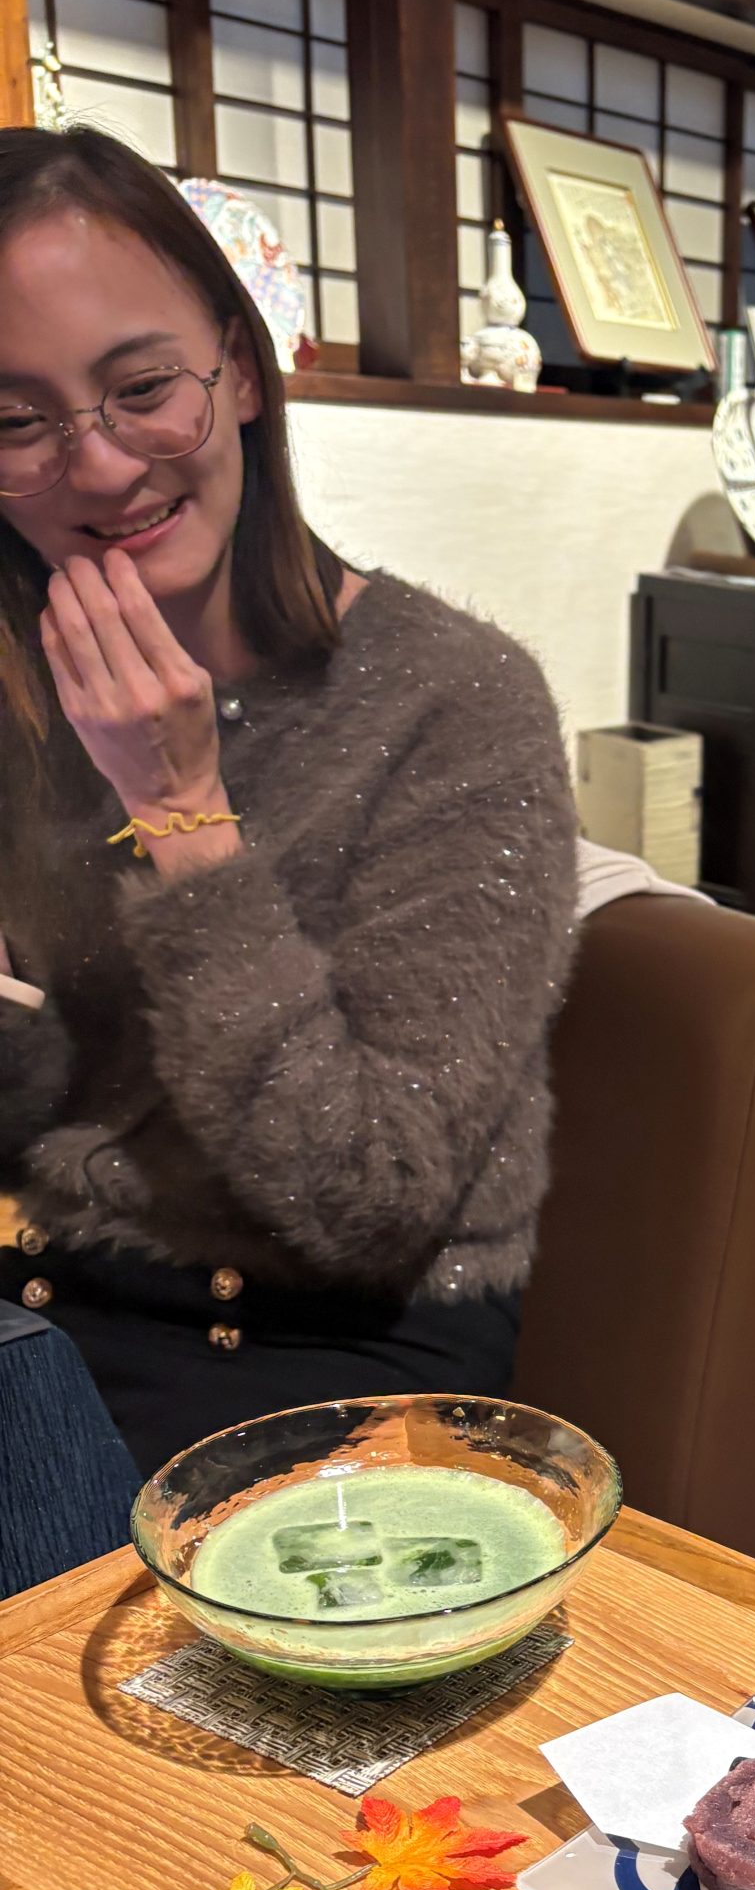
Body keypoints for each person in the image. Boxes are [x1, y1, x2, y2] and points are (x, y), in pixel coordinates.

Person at [0, 128, 577, 1475]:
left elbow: (372, 1196)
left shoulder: (455, 701)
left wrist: (182, 811)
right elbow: (53, 1107)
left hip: (323, 1352)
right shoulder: (21, 694)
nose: (100, 466)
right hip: (48, 1293)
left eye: (145, 388)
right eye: (17, 422)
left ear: (243, 371)